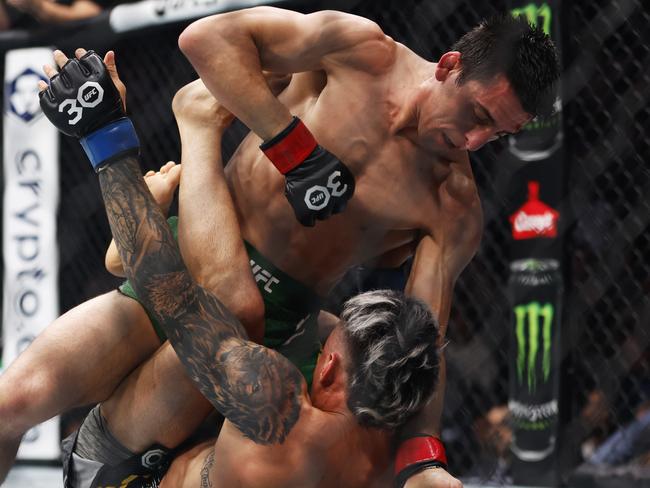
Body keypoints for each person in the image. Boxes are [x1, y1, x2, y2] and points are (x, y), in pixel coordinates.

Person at [0, 8, 559, 487]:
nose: (476, 142)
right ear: (449, 67)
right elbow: (206, 40)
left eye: (499, 136)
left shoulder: (451, 202)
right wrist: (293, 147)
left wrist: (423, 460)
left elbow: (423, 342)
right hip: (182, 271)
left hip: (270, 328)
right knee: (11, 404)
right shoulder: (361, 53)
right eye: (480, 116)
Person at [37, 49, 441, 488]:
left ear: (327, 369)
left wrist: (106, 138)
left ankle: (196, 127)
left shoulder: (275, 403)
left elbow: (167, 290)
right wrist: (426, 463)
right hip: (198, 443)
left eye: (327, 348)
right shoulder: (385, 465)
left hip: (119, 475)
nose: (322, 347)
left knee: (228, 308)